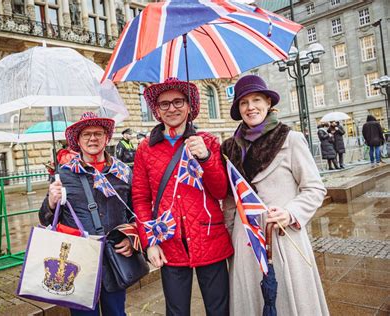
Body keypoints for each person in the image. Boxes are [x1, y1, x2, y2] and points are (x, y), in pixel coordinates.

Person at [221, 75, 328, 315]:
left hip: (282, 235)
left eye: (256, 99)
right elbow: (229, 199)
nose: (251, 107)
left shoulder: (291, 139)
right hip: (245, 239)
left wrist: (290, 213)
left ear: (268, 102)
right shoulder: (229, 148)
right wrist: (231, 234)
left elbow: (315, 188)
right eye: (243, 102)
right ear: (238, 109)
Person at [133, 77, 233, 316]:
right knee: (176, 311)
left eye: (178, 101)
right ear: (156, 111)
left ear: (190, 106)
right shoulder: (145, 149)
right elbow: (140, 199)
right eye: (164, 104)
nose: (172, 108)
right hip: (169, 242)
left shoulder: (207, 141)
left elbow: (220, 191)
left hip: (209, 236)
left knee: (218, 309)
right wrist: (150, 242)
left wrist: (206, 157)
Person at [39, 112, 133, 316]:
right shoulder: (64, 175)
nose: (93, 138)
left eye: (98, 133)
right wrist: (51, 202)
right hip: (78, 261)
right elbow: (46, 218)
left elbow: (134, 211)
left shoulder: (123, 172)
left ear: (107, 138)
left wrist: (131, 239)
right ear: (78, 141)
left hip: (113, 257)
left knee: (116, 313)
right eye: (86, 134)